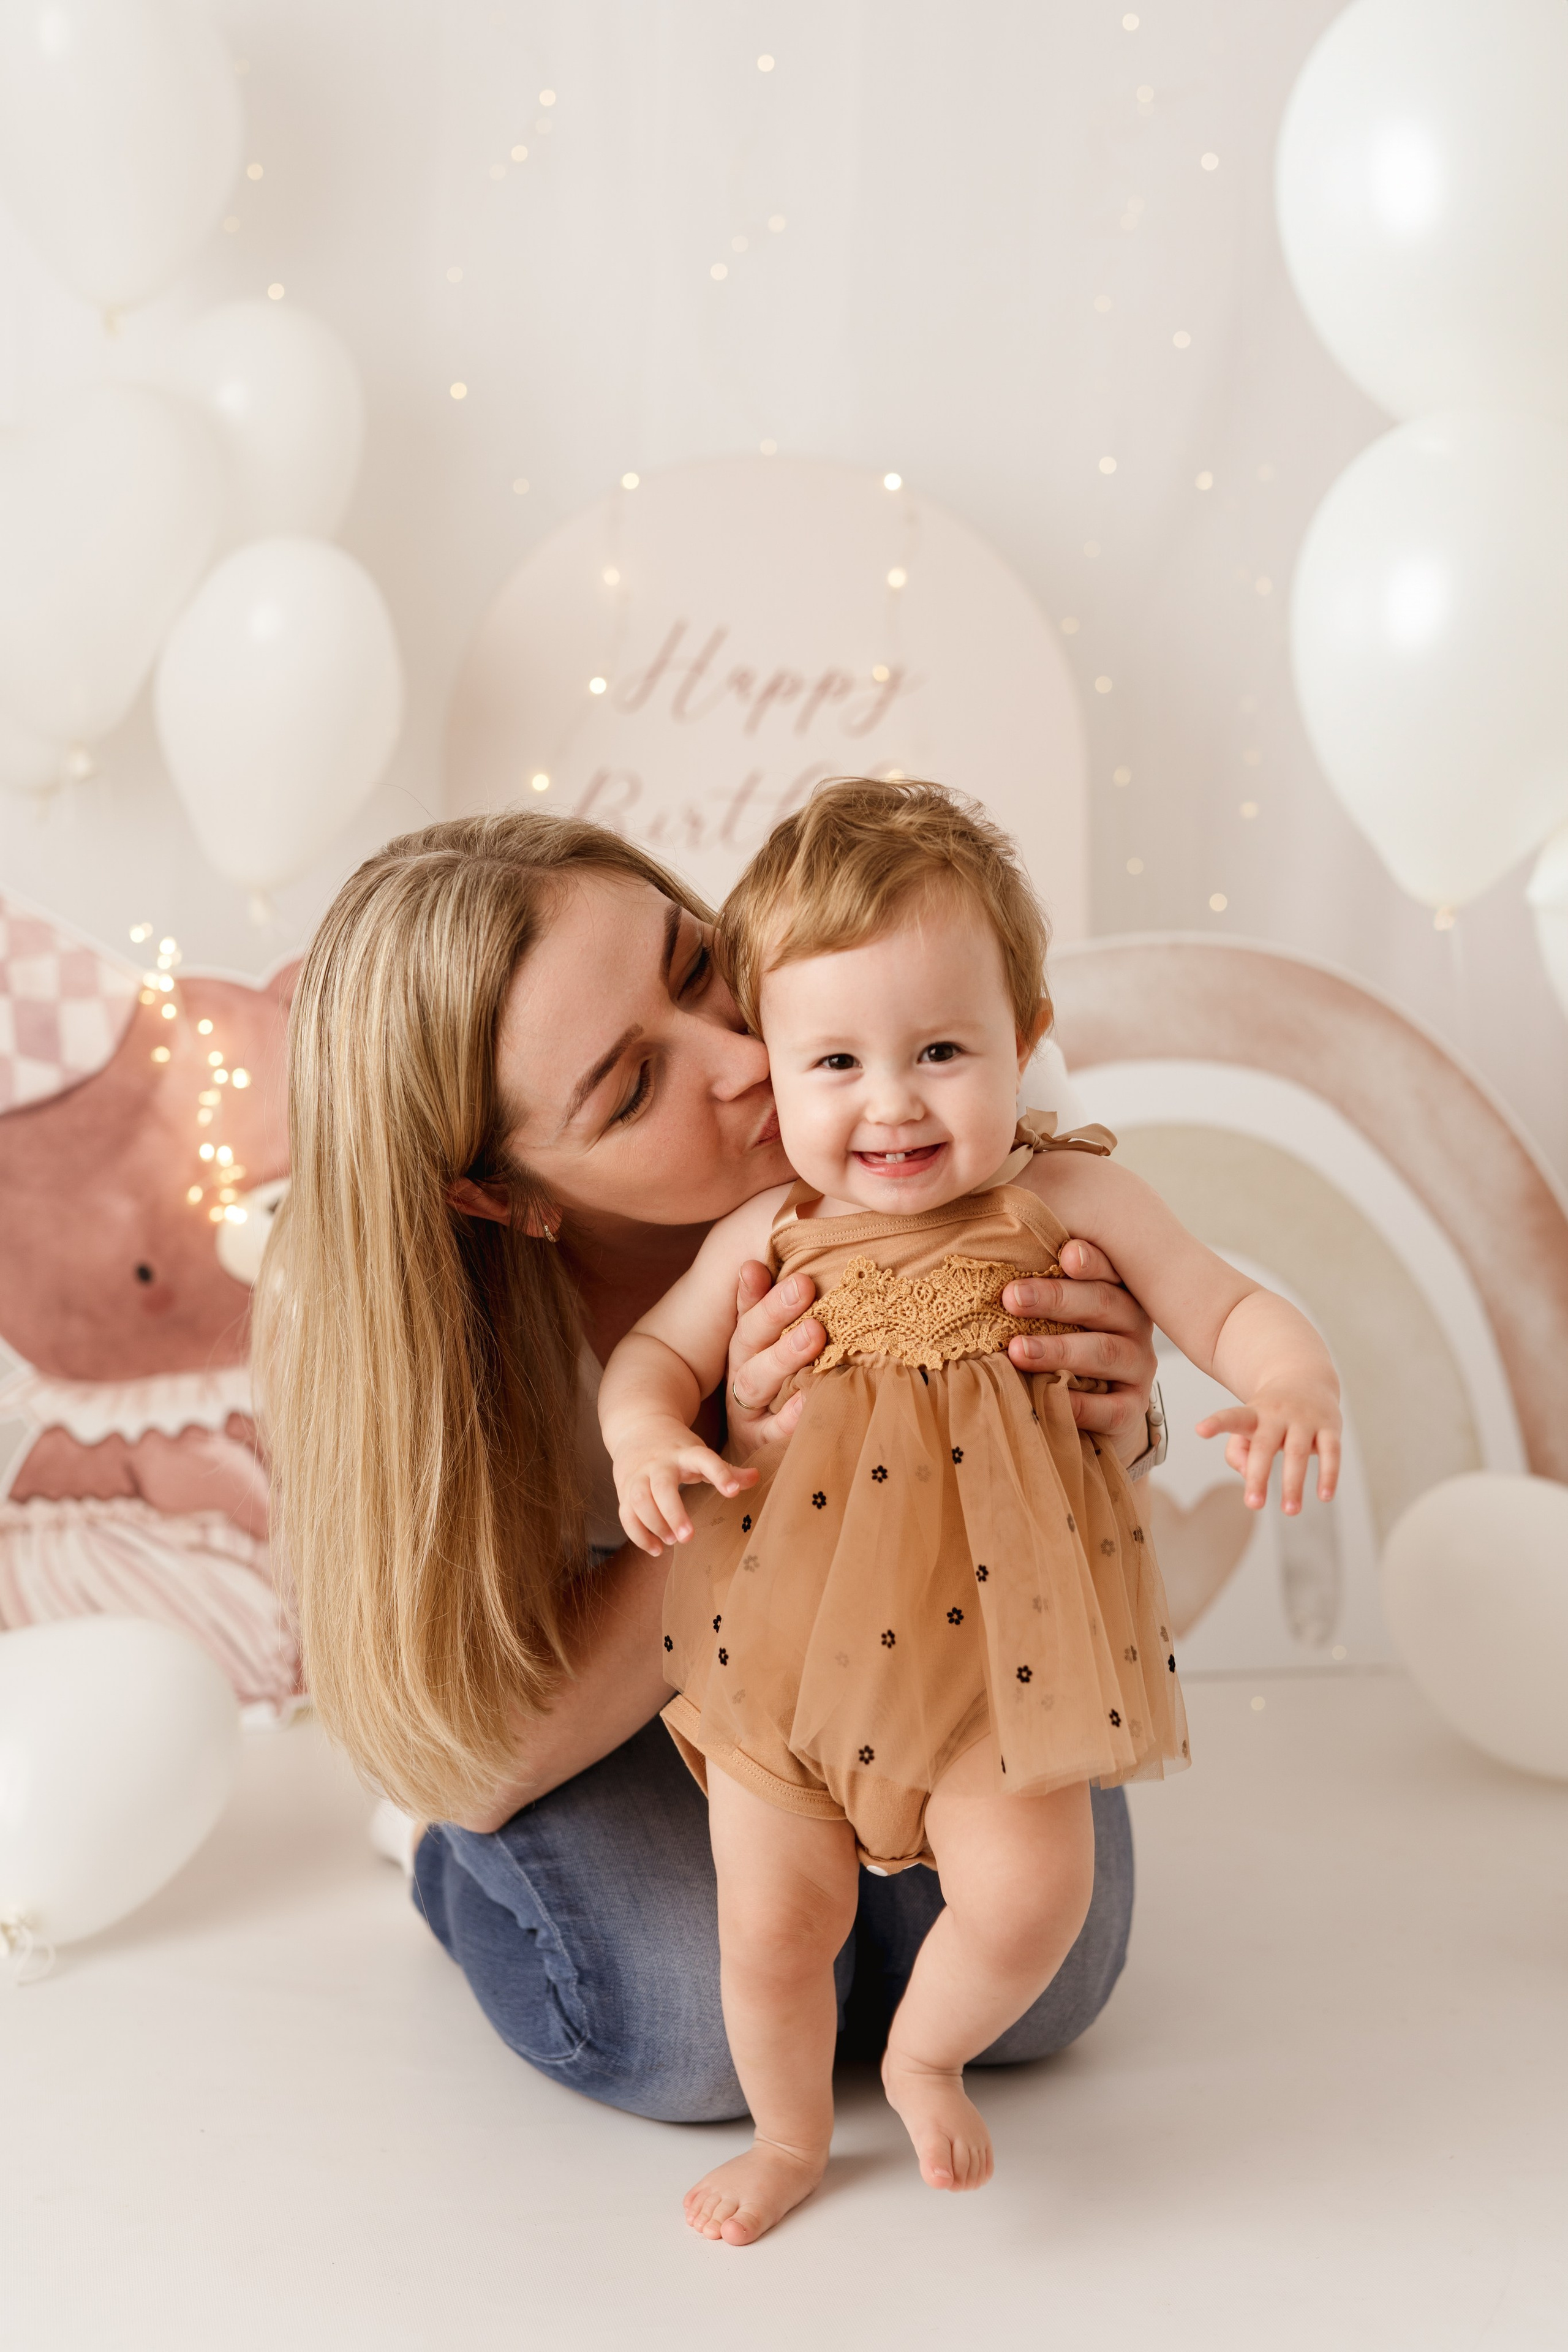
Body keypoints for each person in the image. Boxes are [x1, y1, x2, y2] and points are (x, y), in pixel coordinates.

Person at [255, 805, 1174, 2139]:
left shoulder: (928, 1076)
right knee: (688, 2033)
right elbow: (475, 1753)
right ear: (500, 1196)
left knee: (1041, 1987)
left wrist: (1108, 1406)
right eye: (632, 1088)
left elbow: (1068, 1508)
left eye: (697, 967)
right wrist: (746, 1474)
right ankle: (459, 1887)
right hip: (593, 1656)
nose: (748, 1058)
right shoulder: (358, 1316)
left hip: (925, 1597)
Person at [598, 779, 1341, 2244]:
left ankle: (923, 2051)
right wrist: (640, 1432)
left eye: (940, 1049)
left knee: (1029, 1901)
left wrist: (1290, 1375)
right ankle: (791, 2137)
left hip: (999, 1662)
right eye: (835, 1060)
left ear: (1026, 1036)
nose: (890, 1100)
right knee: (768, 1928)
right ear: (774, 1065)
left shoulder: (1068, 1199)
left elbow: (1223, 1301)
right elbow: (656, 1354)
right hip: (786, 1654)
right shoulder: (768, 1233)